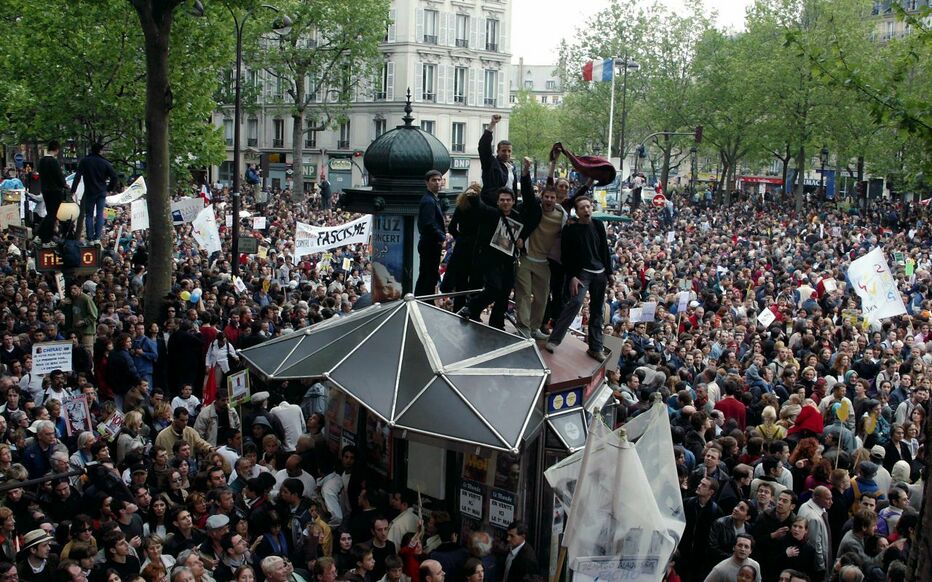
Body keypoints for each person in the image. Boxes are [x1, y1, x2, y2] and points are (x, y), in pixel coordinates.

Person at [544, 196, 612, 362]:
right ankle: (554, 340)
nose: (586, 210)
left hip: (600, 273)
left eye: (588, 206)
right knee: (575, 303)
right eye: (582, 208)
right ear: (577, 211)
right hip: (582, 273)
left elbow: (604, 249)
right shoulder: (570, 229)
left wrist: (609, 272)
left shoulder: (598, 225)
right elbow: (566, 255)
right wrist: (572, 276)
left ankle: (595, 348)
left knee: (597, 311)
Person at [459, 186, 527, 330]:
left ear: (513, 201)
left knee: (505, 292)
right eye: (502, 200)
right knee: (494, 288)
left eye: (508, 200)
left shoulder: (517, 217)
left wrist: (521, 239)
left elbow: (521, 232)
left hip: (509, 261)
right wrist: (473, 196)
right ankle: (471, 307)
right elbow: (480, 207)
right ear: (497, 202)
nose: (505, 202)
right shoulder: (492, 213)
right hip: (491, 260)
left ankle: (497, 323)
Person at [513, 163, 565, 339]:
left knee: (542, 299)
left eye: (552, 197)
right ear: (542, 198)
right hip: (526, 258)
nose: (549, 200)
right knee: (524, 295)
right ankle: (523, 327)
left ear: (556, 199)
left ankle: (534, 328)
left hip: (545, 263)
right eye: (546, 197)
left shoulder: (562, 217)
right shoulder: (535, 211)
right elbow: (527, 193)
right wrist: (526, 173)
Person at [71, 142, 118, 242]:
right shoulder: (105, 163)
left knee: (89, 215)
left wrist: (73, 190)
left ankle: (90, 236)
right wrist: (109, 189)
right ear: (100, 151)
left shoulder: (85, 161)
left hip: (90, 191)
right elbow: (114, 176)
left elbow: (77, 176)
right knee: (100, 213)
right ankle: (97, 236)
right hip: (101, 191)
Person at [415, 170, 446, 297]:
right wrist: (442, 236)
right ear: (427, 183)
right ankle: (424, 301)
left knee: (429, 275)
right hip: (430, 244)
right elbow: (429, 224)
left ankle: (424, 300)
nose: (437, 183)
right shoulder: (429, 200)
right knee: (428, 276)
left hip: (430, 244)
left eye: (439, 180)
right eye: (434, 180)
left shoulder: (433, 199)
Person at [477, 115, 518, 206]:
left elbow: (513, 189)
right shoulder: (491, 163)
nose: (506, 153)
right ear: (497, 151)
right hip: (492, 205)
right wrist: (492, 125)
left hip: (508, 207)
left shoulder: (512, 167)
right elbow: (484, 147)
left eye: (509, 151)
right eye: (503, 151)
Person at [37, 141, 68, 244]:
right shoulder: (53, 161)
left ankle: (41, 233)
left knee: (50, 213)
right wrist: (64, 184)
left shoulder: (41, 161)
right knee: (53, 214)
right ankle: (44, 235)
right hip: (54, 191)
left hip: (45, 190)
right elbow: (58, 176)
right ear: (56, 149)